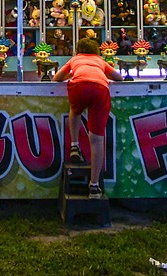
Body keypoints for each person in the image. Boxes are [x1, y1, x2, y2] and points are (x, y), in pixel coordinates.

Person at [53, 36, 123, 199]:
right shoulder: (99, 60)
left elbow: (56, 78)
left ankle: (74, 145)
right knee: (97, 139)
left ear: (78, 50)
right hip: (100, 89)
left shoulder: (75, 59)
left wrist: (72, 74)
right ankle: (94, 186)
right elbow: (119, 77)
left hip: (79, 86)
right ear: (96, 50)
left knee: (75, 110)